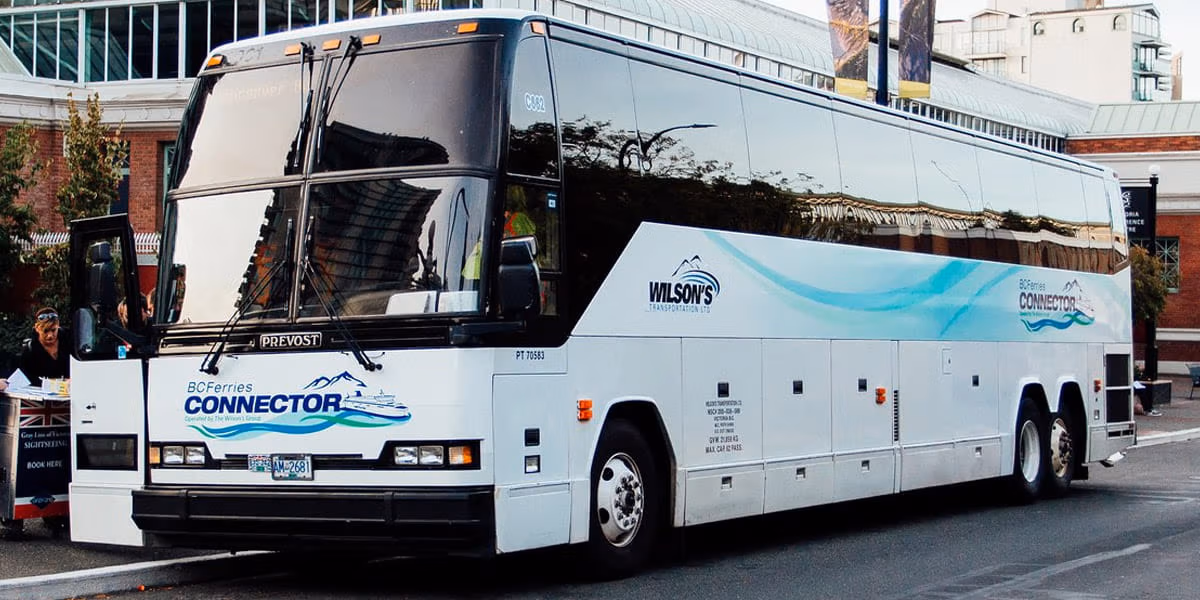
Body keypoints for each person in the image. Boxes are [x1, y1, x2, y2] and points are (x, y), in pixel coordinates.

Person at [17, 308, 69, 387]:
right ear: (37, 328)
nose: (50, 335)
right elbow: (26, 378)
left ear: (58, 325)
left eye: (53, 330)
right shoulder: (30, 349)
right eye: (45, 331)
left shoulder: (70, 341)